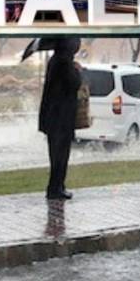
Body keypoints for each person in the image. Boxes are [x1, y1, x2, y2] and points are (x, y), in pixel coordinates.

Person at [39, 37, 82, 200]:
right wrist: (78, 71)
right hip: (60, 118)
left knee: (57, 154)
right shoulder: (64, 62)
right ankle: (56, 188)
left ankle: (57, 186)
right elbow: (74, 83)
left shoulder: (56, 60)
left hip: (54, 117)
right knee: (60, 155)